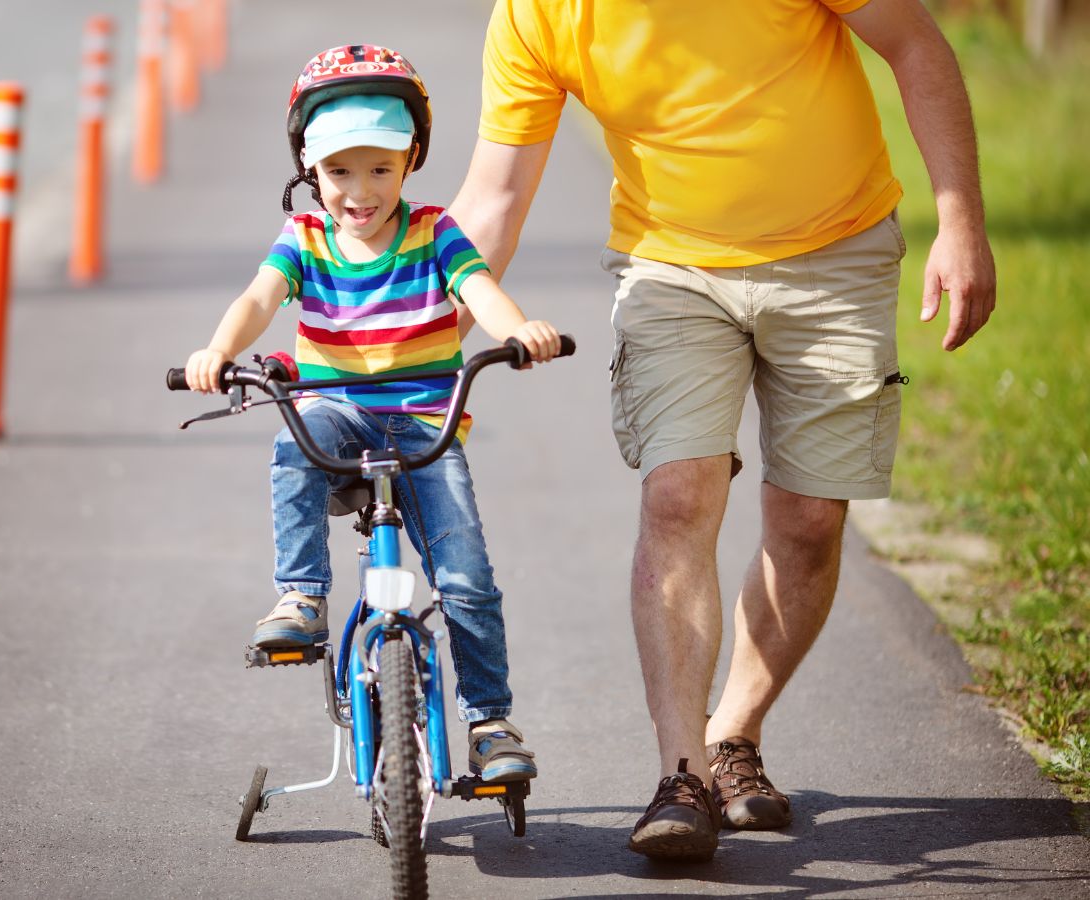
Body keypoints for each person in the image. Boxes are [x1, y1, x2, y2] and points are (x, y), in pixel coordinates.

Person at [448, 0, 997, 861]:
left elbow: (914, 42)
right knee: (677, 495)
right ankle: (682, 774)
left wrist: (960, 222)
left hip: (837, 253)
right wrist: (406, 343)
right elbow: (493, 198)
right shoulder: (536, 13)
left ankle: (733, 734)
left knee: (810, 523)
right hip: (672, 267)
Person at [184, 44, 565, 782]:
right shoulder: (306, 238)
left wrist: (516, 329)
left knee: (466, 580)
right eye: (338, 171)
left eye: (380, 168)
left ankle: (489, 721)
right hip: (335, 412)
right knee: (294, 444)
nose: (360, 192)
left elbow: (479, 290)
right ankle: (301, 595)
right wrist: (217, 349)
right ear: (309, 168)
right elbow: (259, 298)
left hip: (424, 425)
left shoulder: (433, 233)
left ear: (413, 158)